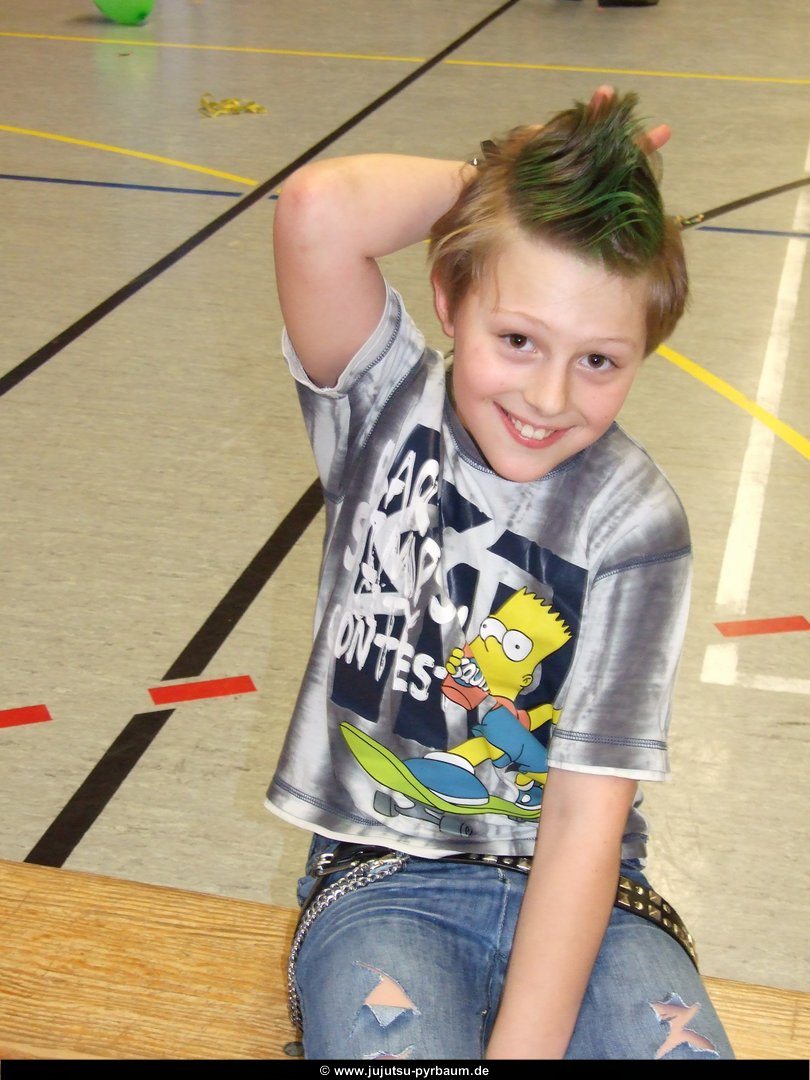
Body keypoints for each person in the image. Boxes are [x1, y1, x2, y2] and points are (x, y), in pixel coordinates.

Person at [267, 86, 734, 1060]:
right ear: (449, 298)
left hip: (593, 907)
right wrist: (505, 184)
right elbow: (316, 210)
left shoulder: (636, 521)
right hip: (385, 885)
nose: (549, 397)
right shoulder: (384, 410)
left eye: (600, 361)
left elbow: (583, 825)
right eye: (518, 340)